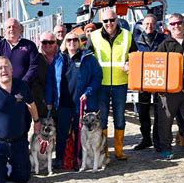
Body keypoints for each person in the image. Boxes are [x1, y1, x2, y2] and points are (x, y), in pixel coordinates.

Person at [0, 56, 41, 183]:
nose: (3, 70)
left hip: (19, 142)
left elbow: (31, 104)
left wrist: (37, 121)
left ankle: (4, 167)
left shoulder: (21, 86)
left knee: (23, 178)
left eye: (6, 66)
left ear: (12, 69)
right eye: (0, 68)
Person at [85, 9, 137, 160]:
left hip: (120, 84)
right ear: (101, 22)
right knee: (102, 120)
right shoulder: (93, 36)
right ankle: (104, 151)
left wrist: (129, 64)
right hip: (101, 85)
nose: (109, 23)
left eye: (112, 20)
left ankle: (119, 151)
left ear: (117, 19)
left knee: (120, 118)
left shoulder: (127, 35)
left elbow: (135, 56)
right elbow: (87, 59)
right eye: (106, 21)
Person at [46, 32, 103, 168]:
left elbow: (97, 77)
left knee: (80, 133)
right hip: (63, 102)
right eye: (69, 40)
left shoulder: (88, 58)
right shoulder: (59, 59)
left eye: (75, 40)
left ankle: (79, 160)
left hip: (81, 103)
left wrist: (88, 92)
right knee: (62, 132)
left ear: (79, 42)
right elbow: (51, 80)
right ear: (65, 42)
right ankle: (60, 158)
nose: (72, 42)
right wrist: (49, 100)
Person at [0, 18, 39, 135]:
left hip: (24, 90)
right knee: (5, 121)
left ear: (20, 30)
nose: (11, 29)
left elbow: (34, 66)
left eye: (14, 27)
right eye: (8, 27)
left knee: (23, 123)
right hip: (3, 91)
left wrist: (22, 83)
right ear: (4, 30)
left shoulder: (29, 45)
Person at [156, 13, 184, 159]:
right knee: (166, 120)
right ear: (168, 27)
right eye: (173, 24)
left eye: (179, 23)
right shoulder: (165, 44)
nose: (176, 26)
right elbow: (156, 65)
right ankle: (166, 148)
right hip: (170, 90)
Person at [133, 14, 166, 152]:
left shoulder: (163, 39)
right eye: (146, 24)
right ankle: (146, 139)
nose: (149, 26)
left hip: (159, 80)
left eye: (152, 24)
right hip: (143, 81)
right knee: (143, 112)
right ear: (142, 25)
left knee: (159, 112)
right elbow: (131, 57)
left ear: (156, 25)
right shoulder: (136, 40)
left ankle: (157, 140)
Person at [31, 31, 58, 119]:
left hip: (60, 103)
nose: (47, 45)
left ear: (56, 42)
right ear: (40, 42)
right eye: (44, 42)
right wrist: (43, 99)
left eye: (51, 42)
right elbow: (34, 81)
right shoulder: (35, 59)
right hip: (41, 105)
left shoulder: (63, 58)